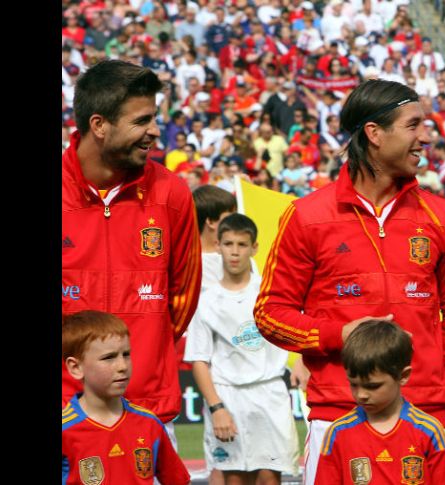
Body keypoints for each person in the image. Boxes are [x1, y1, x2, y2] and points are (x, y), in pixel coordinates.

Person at [253, 79, 445, 485]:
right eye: (413, 126)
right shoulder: (306, 216)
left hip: (425, 412)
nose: (425, 138)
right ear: (374, 134)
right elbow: (271, 315)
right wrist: (338, 334)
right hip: (337, 412)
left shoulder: (442, 216)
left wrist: (423, 374)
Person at [62, 60, 202, 437]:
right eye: (141, 121)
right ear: (99, 126)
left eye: (154, 118)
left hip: (148, 412)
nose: (155, 131)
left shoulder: (171, 194)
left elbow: (183, 298)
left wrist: (147, 348)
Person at [184, 214, 298, 485]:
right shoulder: (207, 301)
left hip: (270, 393)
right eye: (228, 244)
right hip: (228, 396)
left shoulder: (270, 295)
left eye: (242, 245)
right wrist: (217, 407)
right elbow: (199, 360)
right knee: (234, 478)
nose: (234, 252)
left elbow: (298, 332)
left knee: (270, 478)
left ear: (254, 248)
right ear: (218, 245)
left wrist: (302, 363)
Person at [315, 320, 445, 484]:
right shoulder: (338, 433)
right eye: (354, 384)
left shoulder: (428, 431)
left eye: (372, 386)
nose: (361, 395)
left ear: (403, 376)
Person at [62, 311, 191, 485]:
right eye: (109, 358)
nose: (122, 366)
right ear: (75, 367)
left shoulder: (149, 423)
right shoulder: (66, 429)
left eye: (126, 354)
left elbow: (178, 481)